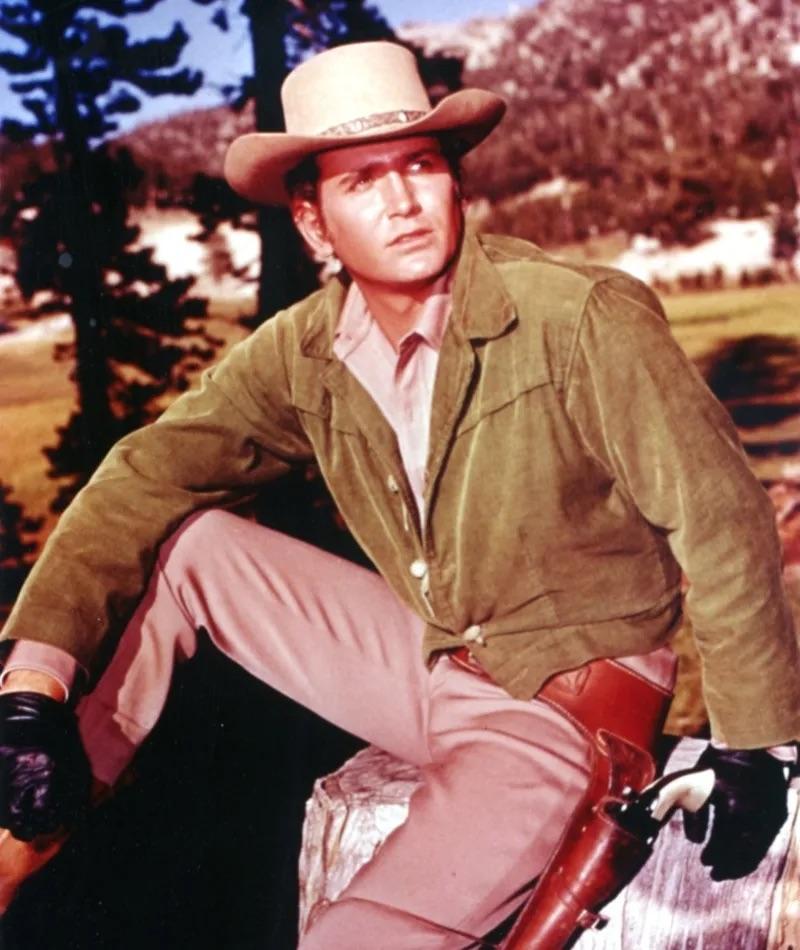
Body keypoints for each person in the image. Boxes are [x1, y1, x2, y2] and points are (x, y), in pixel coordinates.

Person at [0, 40, 798, 947]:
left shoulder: (576, 317)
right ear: (313, 225)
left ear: (454, 182)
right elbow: (145, 471)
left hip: (563, 707)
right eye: (361, 181)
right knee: (193, 549)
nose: (401, 200)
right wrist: (33, 687)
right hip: (432, 661)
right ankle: (26, 824)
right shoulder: (305, 350)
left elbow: (722, 517)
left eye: (418, 166)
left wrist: (757, 743)